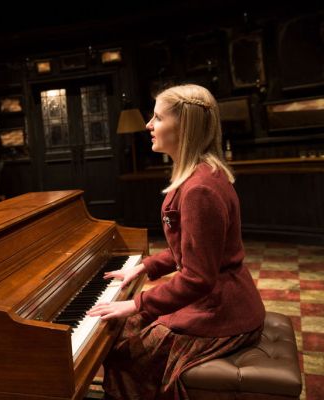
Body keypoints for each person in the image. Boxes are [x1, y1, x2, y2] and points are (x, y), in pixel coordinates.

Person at [87, 84, 265, 400]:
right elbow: (186, 248)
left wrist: (136, 302)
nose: (148, 125)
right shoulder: (199, 175)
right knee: (120, 331)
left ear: (183, 127)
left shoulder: (199, 190)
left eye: (157, 118)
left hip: (222, 312)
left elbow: (197, 278)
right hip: (215, 301)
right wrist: (143, 267)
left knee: (125, 349)